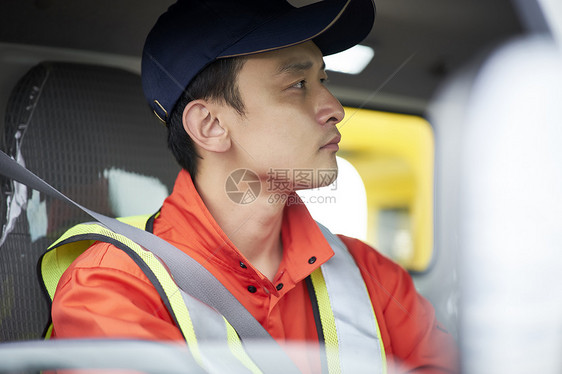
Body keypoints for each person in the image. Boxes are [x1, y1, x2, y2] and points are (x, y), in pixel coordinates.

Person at [49, 0, 458, 372]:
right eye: (297, 85)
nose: (335, 108)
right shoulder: (112, 285)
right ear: (210, 126)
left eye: (323, 79)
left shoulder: (375, 277)